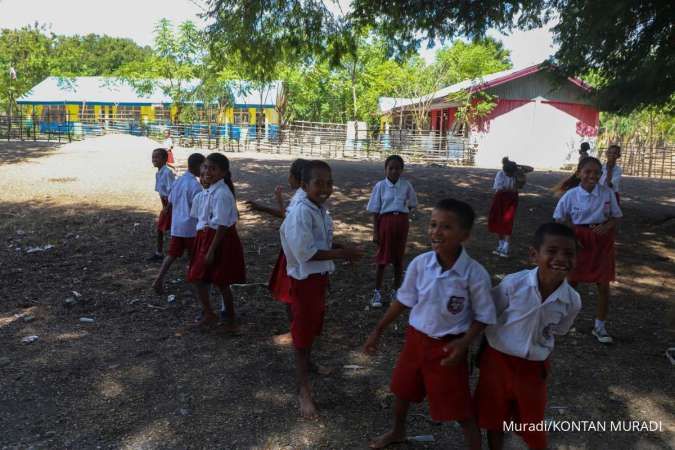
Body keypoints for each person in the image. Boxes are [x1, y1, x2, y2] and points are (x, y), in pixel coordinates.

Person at [363, 198, 496, 450]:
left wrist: (464, 342)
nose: (436, 231)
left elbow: (484, 316)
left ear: (465, 235)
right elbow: (403, 301)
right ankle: (397, 431)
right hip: (416, 341)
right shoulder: (420, 264)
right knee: (402, 391)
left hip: (449, 349)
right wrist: (377, 330)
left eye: (446, 227)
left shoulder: (475, 274)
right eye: (433, 224)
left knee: (460, 409)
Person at [475, 222, 581, 450]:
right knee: (494, 418)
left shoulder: (572, 300)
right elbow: (489, 312)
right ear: (534, 255)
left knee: (533, 423)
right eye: (552, 251)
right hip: (497, 362)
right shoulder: (514, 284)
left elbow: (559, 329)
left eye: (569, 253)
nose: (561, 258)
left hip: (533, 368)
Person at [280, 160, 363, 418]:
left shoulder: (318, 208)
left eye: (329, 183)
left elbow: (319, 240)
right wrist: (341, 253)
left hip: (318, 280)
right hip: (305, 282)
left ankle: (308, 365)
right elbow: (305, 252)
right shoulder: (301, 211)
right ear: (304, 185)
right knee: (302, 334)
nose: (326, 188)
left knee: (311, 330)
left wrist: (337, 246)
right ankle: (303, 390)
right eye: (319, 183)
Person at [553, 157, 622, 344]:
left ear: (601, 175)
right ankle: (561, 321)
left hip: (601, 242)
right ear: (579, 173)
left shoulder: (607, 193)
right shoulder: (571, 195)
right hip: (579, 242)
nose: (592, 175)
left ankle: (600, 327)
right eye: (588, 172)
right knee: (571, 283)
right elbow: (559, 218)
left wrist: (607, 226)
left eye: (596, 172)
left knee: (603, 284)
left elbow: (616, 217)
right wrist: (573, 236)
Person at [245, 159, 309, 344]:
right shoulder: (300, 196)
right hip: (292, 251)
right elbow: (286, 217)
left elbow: (288, 220)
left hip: (294, 253)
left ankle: (296, 331)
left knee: (290, 294)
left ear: (297, 178)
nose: (288, 177)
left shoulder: (301, 200)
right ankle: (298, 329)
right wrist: (264, 206)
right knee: (292, 294)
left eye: (290, 173)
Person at [187, 153, 246, 330]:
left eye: (213, 168)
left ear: (223, 173)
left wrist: (211, 250)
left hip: (218, 240)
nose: (207, 171)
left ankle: (226, 315)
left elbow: (221, 225)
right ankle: (212, 313)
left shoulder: (222, 193)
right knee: (200, 277)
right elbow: (201, 218)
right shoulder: (208, 190)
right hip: (206, 237)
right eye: (205, 167)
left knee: (219, 280)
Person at [366, 155, 418, 308]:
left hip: (401, 223)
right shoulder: (380, 186)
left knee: (398, 259)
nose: (394, 171)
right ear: (385, 169)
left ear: (402, 170)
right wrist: (376, 232)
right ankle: (377, 291)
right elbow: (375, 210)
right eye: (391, 168)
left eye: (398, 168)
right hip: (385, 223)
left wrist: (402, 211)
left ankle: (396, 290)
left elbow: (412, 203)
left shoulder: (406, 185)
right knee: (382, 258)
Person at [152, 153, 205, 294]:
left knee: (172, 254)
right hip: (191, 228)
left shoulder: (179, 181)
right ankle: (195, 279)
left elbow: (170, 200)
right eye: (204, 167)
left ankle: (159, 279)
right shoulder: (195, 186)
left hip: (177, 225)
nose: (205, 171)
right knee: (194, 254)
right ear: (198, 167)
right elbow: (198, 209)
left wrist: (167, 210)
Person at [488, 157, 521, 257]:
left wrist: (519, 170)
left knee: (508, 221)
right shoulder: (501, 174)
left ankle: (505, 248)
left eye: (511, 173)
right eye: (508, 173)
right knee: (497, 220)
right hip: (500, 199)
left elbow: (516, 188)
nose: (509, 175)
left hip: (511, 200)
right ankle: (500, 245)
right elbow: (499, 188)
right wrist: (511, 190)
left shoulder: (516, 174)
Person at [150, 148, 175, 261]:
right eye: (153, 157)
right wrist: (164, 207)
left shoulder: (168, 173)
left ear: (165, 159)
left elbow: (173, 192)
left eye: (157, 157)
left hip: (173, 204)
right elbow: (160, 192)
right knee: (161, 228)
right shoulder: (158, 173)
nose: (154, 159)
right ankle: (159, 252)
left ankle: (168, 252)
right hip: (166, 205)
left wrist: (168, 207)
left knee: (173, 229)